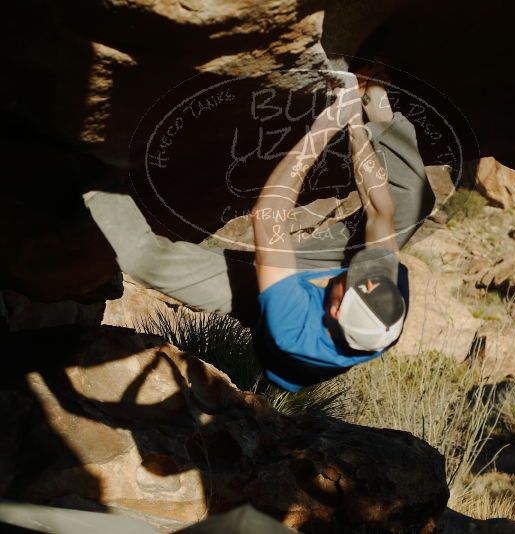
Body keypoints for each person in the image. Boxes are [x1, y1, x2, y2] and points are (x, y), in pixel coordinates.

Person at [84, 70, 435, 391]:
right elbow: (380, 209)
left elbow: (268, 216)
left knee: (147, 260)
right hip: (319, 282)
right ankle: (374, 99)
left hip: (268, 311)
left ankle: (86, 175)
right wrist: (354, 121)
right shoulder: (382, 300)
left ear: (336, 310)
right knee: (413, 202)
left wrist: (324, 126)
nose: (363, 270)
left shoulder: (292, 329)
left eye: (349, 282)